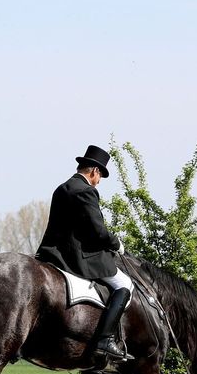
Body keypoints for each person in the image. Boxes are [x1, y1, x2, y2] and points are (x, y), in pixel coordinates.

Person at [35, 144, 134, 361]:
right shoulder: (87, 191)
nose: (99, 182)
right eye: (100, 177)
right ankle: (105, 340)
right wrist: (116, 243)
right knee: (124, 284)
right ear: (94, 172)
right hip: (77, 257)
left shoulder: (62, 188)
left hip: (51, 252)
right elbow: (98, 232)